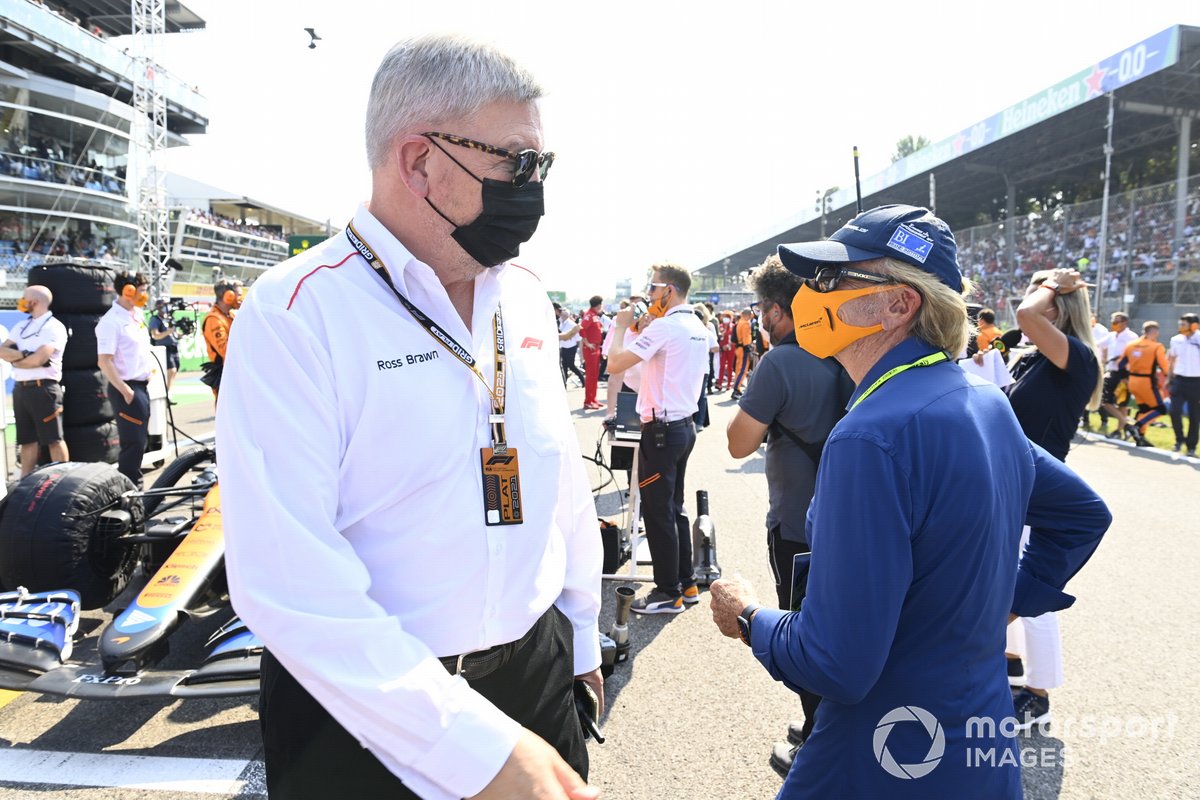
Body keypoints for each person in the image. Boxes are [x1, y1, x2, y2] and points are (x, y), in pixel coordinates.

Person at [215, 35, 602, 800]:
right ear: (419, 160)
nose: (535, 188)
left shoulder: (522, 292)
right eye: (517, 163)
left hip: (538, 673)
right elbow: (286, 580)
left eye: (543, 165)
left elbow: (556, 478)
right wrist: (470, 747)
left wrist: (581, 633)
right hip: (363, 716)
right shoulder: (297, 313)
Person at [708, 205, 1109, 799]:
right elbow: (1082, 514)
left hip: (886, 752)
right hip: (981, 743)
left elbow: (834, 662)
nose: (810, 295)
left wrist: (746, 618)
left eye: (832, 280)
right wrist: (1000, 608)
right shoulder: (983, 398)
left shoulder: (871, 434)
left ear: (900, 304)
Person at [724, 255, 853, 775]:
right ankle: (826, 722)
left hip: (798, 523)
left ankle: (822, 744)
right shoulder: (849, 352)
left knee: (803, 633)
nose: (758, 318)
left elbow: (737, 443)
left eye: (760, 309)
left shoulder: (780, 362)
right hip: (850, 519)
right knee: (842, 626)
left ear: (779, 311)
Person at [1001, 266, 1103, 727]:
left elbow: (1025, 313)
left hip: (1038, 489)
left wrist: (1051, 286)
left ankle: (1038, 696)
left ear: (1057, 307)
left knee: (1032, 591)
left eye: (1041, 297)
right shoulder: (1040, 358)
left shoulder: (1077, 357)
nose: (1028, 301)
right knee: (1008, 581)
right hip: (1012, 481)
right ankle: (1013, 666)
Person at [606, 264, 710, 614]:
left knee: (657, 513)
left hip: (662, 431)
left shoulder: (666, 327)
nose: (648, 296)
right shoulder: (695, 324)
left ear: (669, 290)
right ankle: (687, 582)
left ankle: (668, 592)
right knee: (674, 508)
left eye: (652, 289)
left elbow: (616, 363)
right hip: (684, 426)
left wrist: (621, 327)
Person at [1, 285, 69, 475]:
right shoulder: (21, 326)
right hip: (21, 389)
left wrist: (17, 360)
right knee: (26, 440)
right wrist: (24, 355)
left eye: (25, 298)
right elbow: (2, 351)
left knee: (54, 439)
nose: (22, 301)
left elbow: (39, 359)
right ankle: (25, 483)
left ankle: (61, 481)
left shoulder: (54, 327)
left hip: (44, 388)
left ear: (35, 302)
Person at [95, 271, 155, 487]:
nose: (146, 294)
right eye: (142, 290)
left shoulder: (136, 314)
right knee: (134, 443)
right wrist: (125, 390)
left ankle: (133, 488)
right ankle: (130, 490)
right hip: (127, 388)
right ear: (128, 291)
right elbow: (104, 361)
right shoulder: (111, 321)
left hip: (141, 386)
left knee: (141, 441)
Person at [1122, 320, 1170, 444]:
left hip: (1132, 381)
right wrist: (1171, 378)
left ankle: (1140, 438)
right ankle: (1137, 426)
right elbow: (1165, 367)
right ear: (1154, 332)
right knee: (1161, 409)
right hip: (1146, 382)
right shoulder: (1156, 347)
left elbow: (1121, 364)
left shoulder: (1131, 345)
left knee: (1144, 409)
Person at [1096, 311, 1138, 440]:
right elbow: (1098, 344)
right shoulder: (1111, 336)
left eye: (1116, 322)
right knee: (1105, 401)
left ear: (1124, 322)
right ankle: (1128, 424)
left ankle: (1119, 430)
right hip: (1112, 372)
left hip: (1125, 373)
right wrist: (1103, 357)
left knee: (1122, 404)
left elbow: (1135, 356)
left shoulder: (1132, 337)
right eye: (1112, 321)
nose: (1113, 324)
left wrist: (1128, 373)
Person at [201, 278, 242, 398]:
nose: (241, 298)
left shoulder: (231, 315)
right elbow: (226, 350)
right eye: (238, 295)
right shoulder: (214, 319)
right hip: (225, 373)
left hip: (235, 371)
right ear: (228, 296)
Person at [1167, 312, 1200, 455]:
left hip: (1196, 382)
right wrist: (1169, 378)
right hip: (1179, 380)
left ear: (1193, 325)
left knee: (1194, 415)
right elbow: (1172, 359)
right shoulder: (1175, 340)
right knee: (1175, 411)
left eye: (1183, 324)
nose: (1180, 327)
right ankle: (1179, 439)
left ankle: (1191, 446)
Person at [148, 298, 179, 395]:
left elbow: (175, 333)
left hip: (173, 346)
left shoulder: (170, 318)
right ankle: (167, 393)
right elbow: (155, 335)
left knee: (175, 369)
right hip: (164, 348)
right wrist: (168, 332)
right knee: (171, 370)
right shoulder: (155, 319)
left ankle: (168, 390)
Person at [579, 295, 604, 410]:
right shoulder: (589, 315)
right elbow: (581, 328)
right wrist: (587, 343)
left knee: (594, 376)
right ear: (598, 305)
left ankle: (593, 399)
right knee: (590, 376)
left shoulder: (594, 315)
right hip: (590, 349)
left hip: (597, 348)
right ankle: (588, 401)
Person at [556, 303, 585, 388]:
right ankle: (564, 384)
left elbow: (578, 338)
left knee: (571, 366)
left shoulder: (572, 324)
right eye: (562, 315)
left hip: (571, 347)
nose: (562, 316)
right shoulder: (561, 323)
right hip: (563, 347)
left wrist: (570, 339)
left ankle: (583, 380)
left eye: (564, 315)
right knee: (564, 366)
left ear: (567, 316)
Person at [730, 307, 753, 398]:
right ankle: (736, 389)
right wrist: (748, 348)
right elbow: (746, 339)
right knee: (742, 370)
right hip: (744, 349)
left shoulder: (739, 322)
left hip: (739, 348)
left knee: (738, 369)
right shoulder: (745, 324)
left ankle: (737, 389)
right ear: (748, 315)